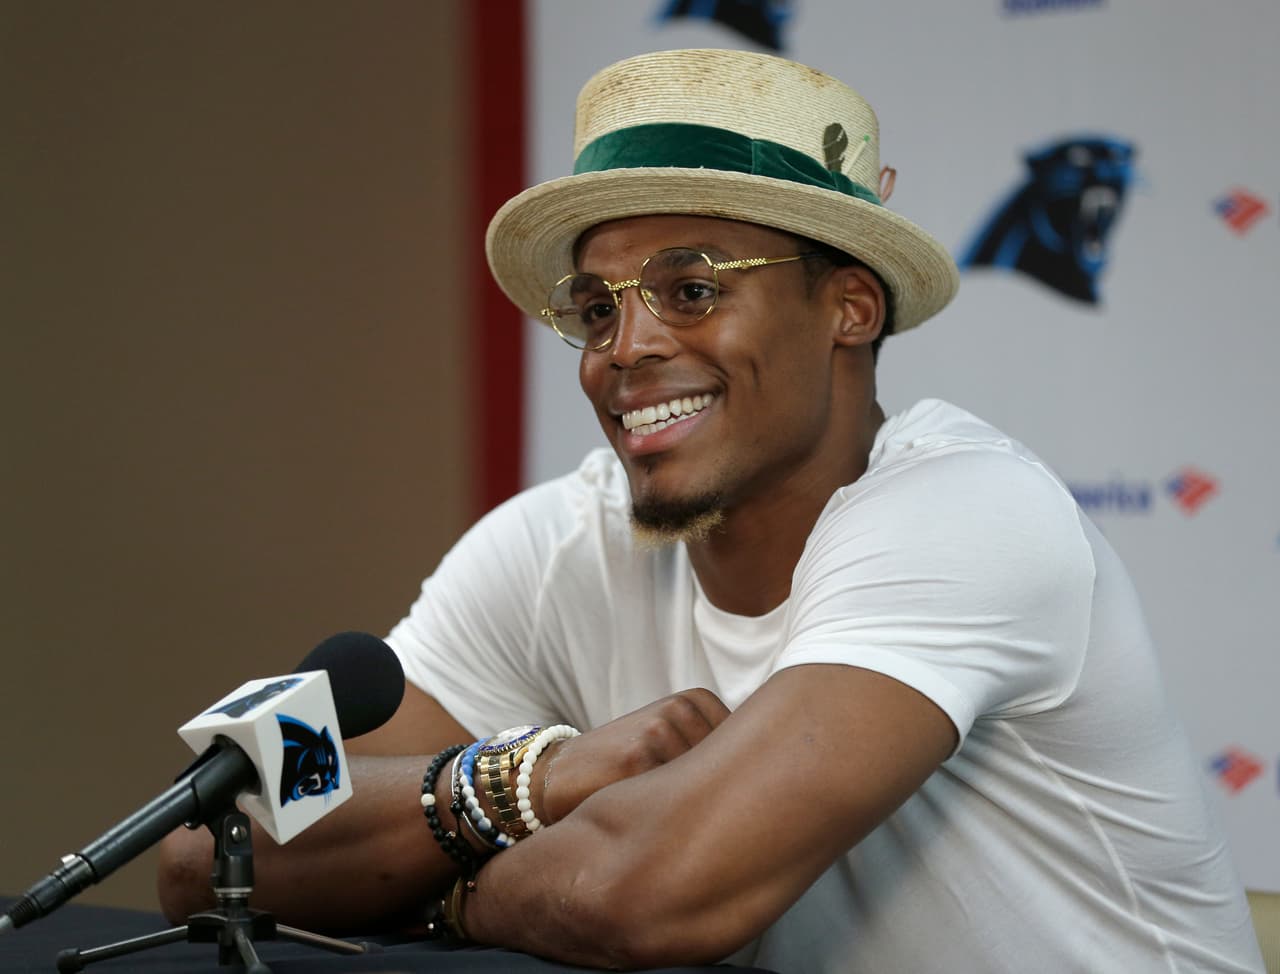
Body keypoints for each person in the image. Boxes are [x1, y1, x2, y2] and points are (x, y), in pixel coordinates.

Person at [158, 48, 1264, 973]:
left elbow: (646, 892)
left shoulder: (966, 513)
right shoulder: (548, 540)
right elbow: (210, 846)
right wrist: (534, 774)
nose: (625, 348)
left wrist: (423, 891)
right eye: (595, 308)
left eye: (692, 289)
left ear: (846, 306)